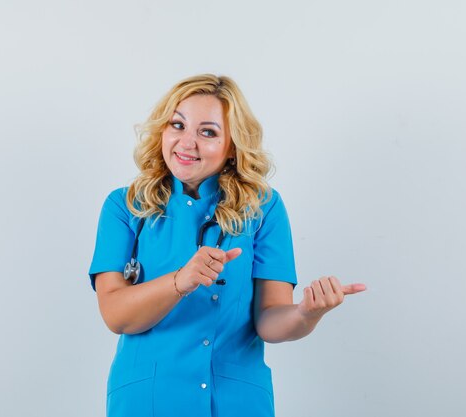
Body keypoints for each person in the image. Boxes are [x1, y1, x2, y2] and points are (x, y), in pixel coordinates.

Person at [88, 74, 366, 417]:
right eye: (177, 125)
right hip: (149, 399)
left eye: (208, 132)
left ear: (232, 146)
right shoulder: (125, 207)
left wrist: (306, 314)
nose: (186, 142)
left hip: (237, 401)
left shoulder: (263, 209)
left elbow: (269, 320)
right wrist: (180, 280)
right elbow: (115, 314)